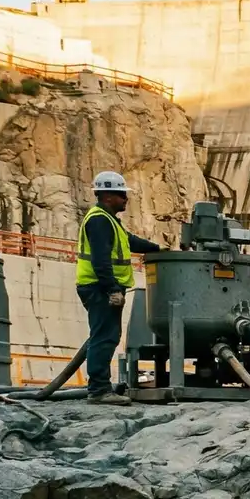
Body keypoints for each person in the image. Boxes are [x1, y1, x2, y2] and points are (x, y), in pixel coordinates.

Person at [75, 171, 161, 404]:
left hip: (101, 287)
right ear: (107, 195)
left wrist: (158, 249)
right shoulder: (99, 220)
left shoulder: (109, 220)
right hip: (100, 288)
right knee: (104, 337)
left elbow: (129, 241)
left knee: (105, 336)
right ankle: (99, 391)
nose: (126, 198)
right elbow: (100, 260)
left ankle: (100, 387)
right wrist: (112, 288)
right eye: (121, 194)